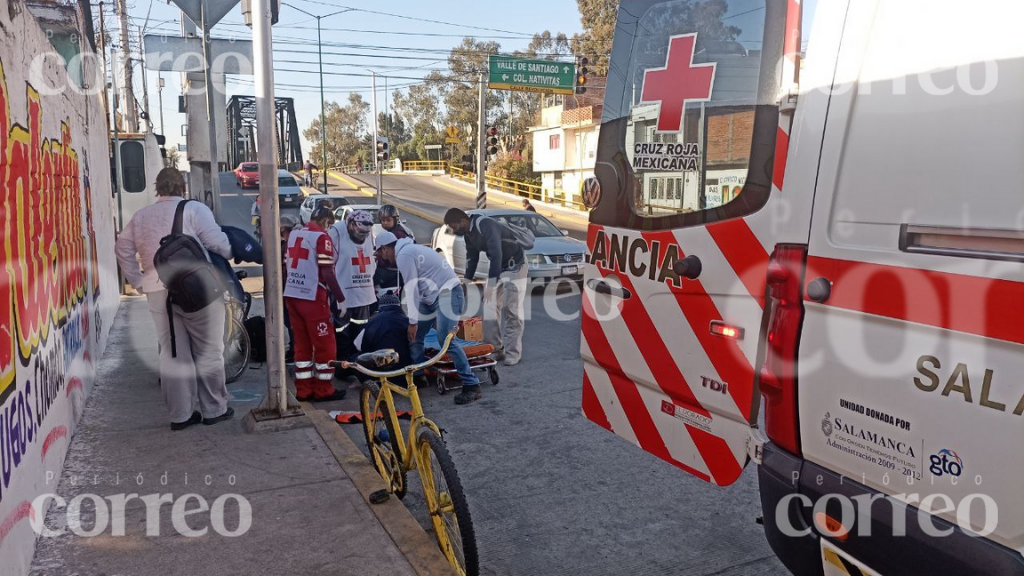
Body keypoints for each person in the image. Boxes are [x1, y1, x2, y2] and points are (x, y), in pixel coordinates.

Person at [115, 168, 235, 430]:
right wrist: (230, 247)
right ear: (183, 188)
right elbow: (220, 245)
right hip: (197, 289)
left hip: (158, 291)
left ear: (158, 188)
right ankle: (214, 409)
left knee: (172, 354)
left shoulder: (141, 216)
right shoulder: (194, 210)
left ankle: (180, 416)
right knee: (208, 350)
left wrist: (137, 281)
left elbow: (122, 248)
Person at [375, 231, 483, 405]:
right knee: (415, 337)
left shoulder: (404, 254)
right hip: (431, 297)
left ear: (386, 248)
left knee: (445, 339)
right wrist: (414, 323)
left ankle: (472, 384)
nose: (380, 256)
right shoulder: (407, 251)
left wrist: (412, 322)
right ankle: (418, 377)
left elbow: (411, 290)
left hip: (448, 293)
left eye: (379, 252)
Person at [443, 208, 527, 366]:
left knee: (512, 310)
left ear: (462, 221)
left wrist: (491, 284)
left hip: (516, 265)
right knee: (489, 306)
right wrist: (466, 282)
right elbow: (472, 259)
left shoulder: (485, 225)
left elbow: (497, 254)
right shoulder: (469, 235)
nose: (454, 230)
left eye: (454, 226)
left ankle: (513, 353)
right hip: (499, 267)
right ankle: (496, 348)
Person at [283, 206, 348, 401]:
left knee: (301, 344)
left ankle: (303, 389)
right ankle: (323, 389)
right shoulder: (321, 238)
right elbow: (327, 272)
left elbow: (287, 266)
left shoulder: (294, 234)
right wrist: (340, 298)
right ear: (327, 221)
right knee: (325, 344)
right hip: (312, 297)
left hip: (292, 295)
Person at [328, 210, 378, 371]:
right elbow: (328, 264)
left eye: (365, 233)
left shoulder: (368, 233)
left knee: (361, 333)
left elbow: (372, 259)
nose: (362, 236)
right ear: (350, 224)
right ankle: (342, 366)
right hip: (342, 295)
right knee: (341, 332)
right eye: (360, 232)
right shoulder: (336, 233)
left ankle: (358, 366)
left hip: (363, 295)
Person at [354, 291, 413, 368]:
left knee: (355, 358)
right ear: (399, 305)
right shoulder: (409, 322)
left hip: (379, 372)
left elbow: (361, 346)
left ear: (380, 306)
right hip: (405, 371)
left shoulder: (373, 321)